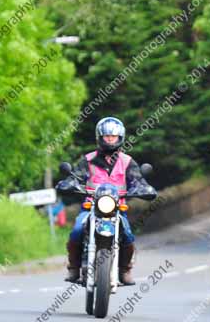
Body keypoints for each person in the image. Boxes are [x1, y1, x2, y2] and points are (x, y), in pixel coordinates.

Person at [57, 117, 157, 285]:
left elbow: (138, 180)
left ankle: (125, 269)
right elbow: (77, 177)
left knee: (128, 235)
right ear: (100, 137)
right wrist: (69, 183)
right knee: (76, 231)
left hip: (117, 208)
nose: (110, 139)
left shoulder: (127, 162)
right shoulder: (88, 160)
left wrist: (145, 189)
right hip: (91, 207)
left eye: (114, 136)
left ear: (120, 138)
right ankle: (73, 267)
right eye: (107, 136)